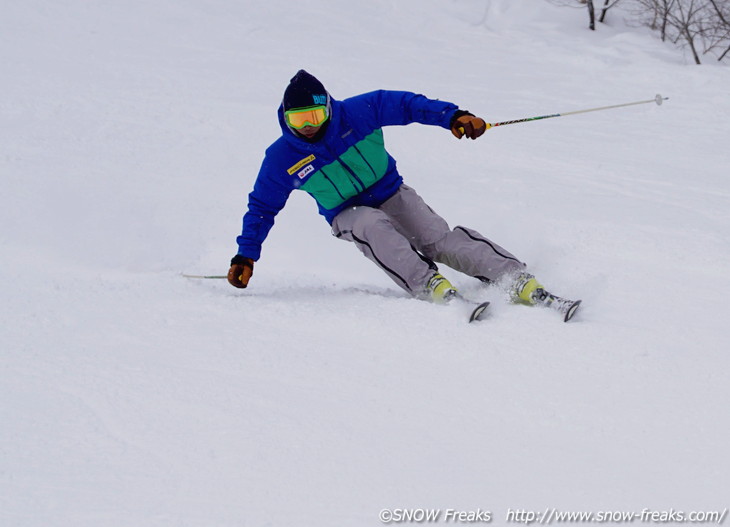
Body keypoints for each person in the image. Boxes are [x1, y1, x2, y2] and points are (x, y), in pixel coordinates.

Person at [228, 69, 547, 306]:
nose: (309, 126)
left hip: (391, 192)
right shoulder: (282, 157)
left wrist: (454, 117)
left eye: (314, 115)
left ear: (328, 107)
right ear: (286, 119)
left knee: (437, 240)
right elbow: (262, 207)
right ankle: (430, 285)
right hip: (346, 214)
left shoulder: (359, 113)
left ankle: (514, 277)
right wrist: (246, 256)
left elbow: (408, 105)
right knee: (372, 224)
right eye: (299, 120)